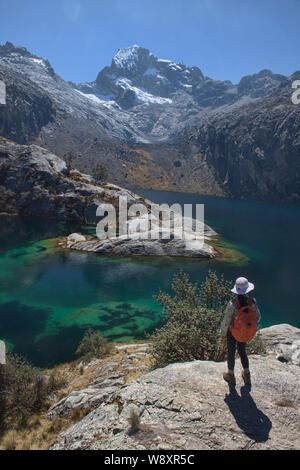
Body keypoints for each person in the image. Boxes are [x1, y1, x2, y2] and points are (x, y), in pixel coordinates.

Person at [220, 277, 261, 385]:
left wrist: (223, 333)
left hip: (233, 332)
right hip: (244, 332)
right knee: (242, 351)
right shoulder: (252, 302)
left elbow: (226, 320)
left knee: (231, 352)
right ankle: (247, 374)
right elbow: (258, 317)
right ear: (247, 290)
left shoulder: (232, 304)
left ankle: (230, 374)